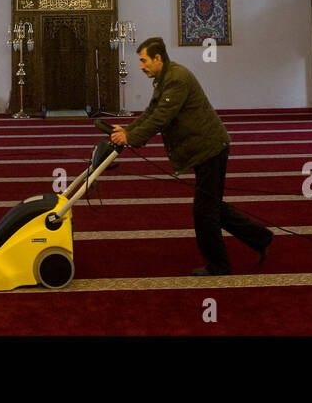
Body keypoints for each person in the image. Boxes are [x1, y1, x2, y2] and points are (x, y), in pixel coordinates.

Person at [110, 37, 273, 276]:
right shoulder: (164, 79)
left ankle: (219, 265)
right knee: (211, 206)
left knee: (204, 210)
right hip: (202, 150)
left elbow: (160, 118)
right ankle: (260, 237)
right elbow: (151, 112)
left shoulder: (177, 79)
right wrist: (128, 131)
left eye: (144, 61)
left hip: (210, 149)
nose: (141, 66)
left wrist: (131, 138)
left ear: (158, 58)